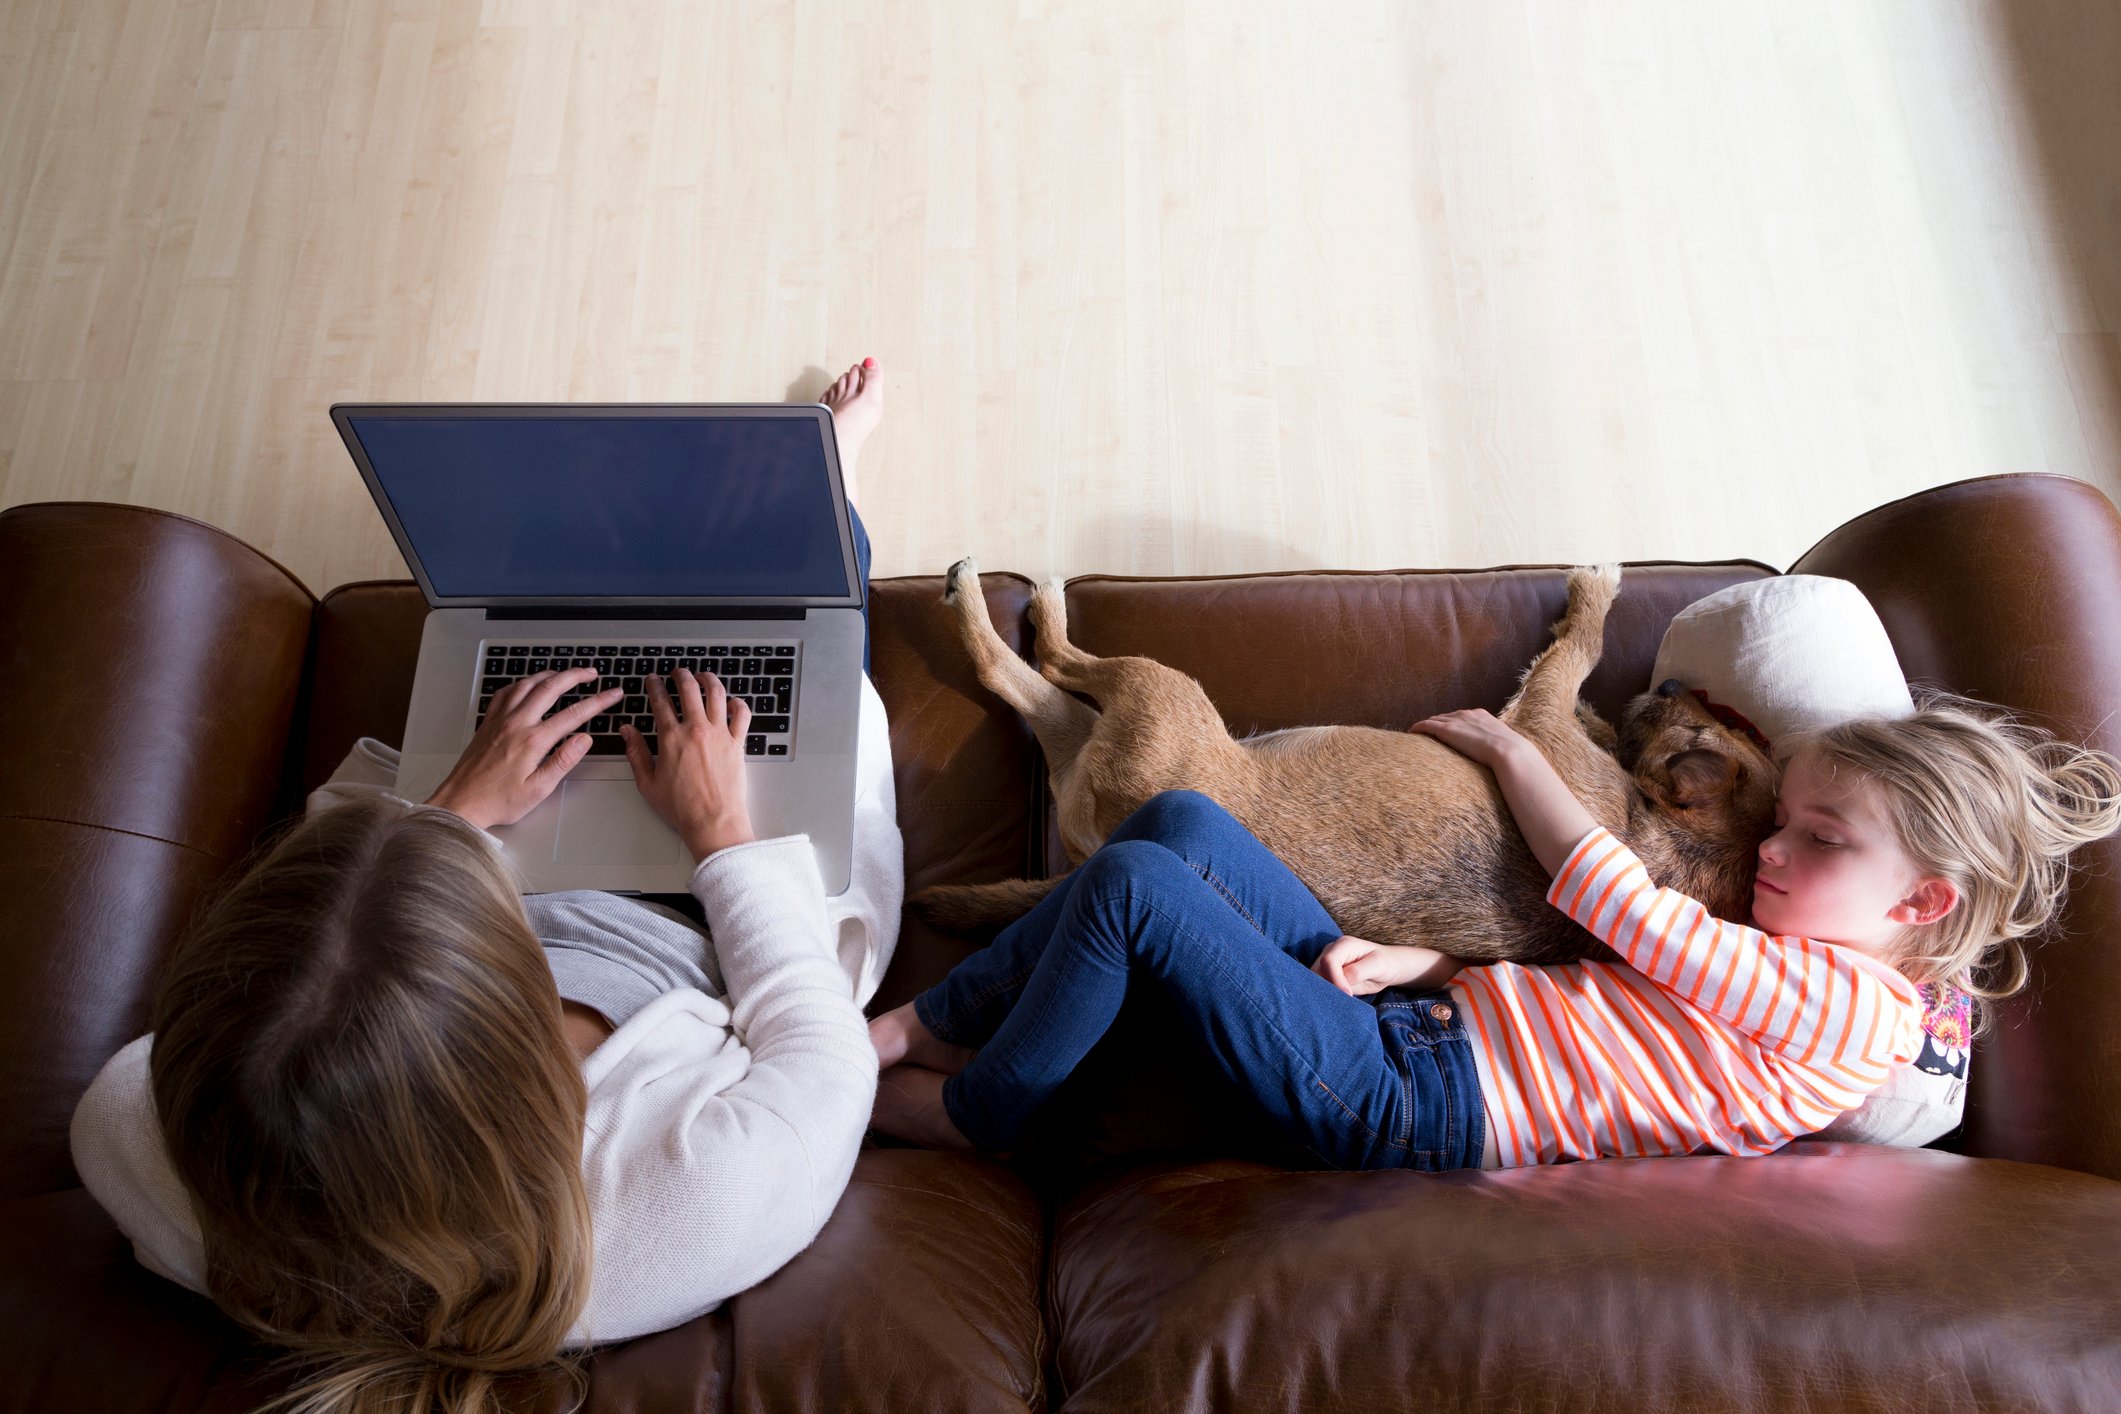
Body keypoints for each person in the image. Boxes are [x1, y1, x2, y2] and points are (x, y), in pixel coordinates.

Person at [69, 360, 898, 1414]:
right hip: (705, 923)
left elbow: (191, 1057)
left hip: (510, 861)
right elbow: (824, 1051)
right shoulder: (673, 1208)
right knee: (801, 630)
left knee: (537, 626)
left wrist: (454, 811)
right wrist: (723, 834)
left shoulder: (150, 1146)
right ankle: (827, 485)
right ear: (506, 1067)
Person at [868, 691, 2121, 1171]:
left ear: (1923, 904)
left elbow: (1621, 909)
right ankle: (919, 1026)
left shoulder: (1859, 1010)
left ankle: (975, 1104)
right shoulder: (1792, 967)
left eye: (1821, 840)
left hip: (1408, 1100)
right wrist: (1445, 961)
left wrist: (1520, 752)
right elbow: (1604, 1007)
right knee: (1184, 824)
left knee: (1139, 895)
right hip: (1422, 1020)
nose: (1770, 853)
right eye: (1781, 822)